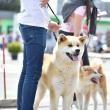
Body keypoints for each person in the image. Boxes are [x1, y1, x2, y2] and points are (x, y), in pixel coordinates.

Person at [17, 0, 59, 110]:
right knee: (32, 73)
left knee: (27, 71)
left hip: (30, 22)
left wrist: (48, 22)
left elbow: (38, 5)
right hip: (34, 26)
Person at [60, 0, 97, 66]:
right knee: (83, 67)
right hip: (72, 35)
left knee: (66, 67)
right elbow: (77, 25)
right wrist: (79, 58)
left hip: (69, 34)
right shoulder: (81, 6)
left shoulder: (75, 2)